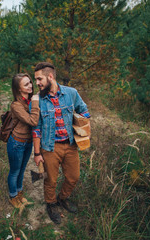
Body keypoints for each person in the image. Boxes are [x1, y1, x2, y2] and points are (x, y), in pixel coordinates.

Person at [32, 62, 90, 224]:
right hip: (50, 147)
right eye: (36, 80)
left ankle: (62, 198)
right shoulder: (37, 101)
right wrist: (37, 154)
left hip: (71, 145)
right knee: (50, 179)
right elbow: (36, 130)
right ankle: (51, 204)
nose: (37, 83)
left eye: (39, 79)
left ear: (50, 77)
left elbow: (84, 110)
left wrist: (80, 123)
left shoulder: (71, 93)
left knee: (73, 177)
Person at [7, 73, 40, 209]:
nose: (30, 85)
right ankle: (13, 197)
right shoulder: (16, 105)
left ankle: (20, 195)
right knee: (15, 171)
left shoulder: (30, 100)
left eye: (30, 82)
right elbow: (33, 121)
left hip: (28, 142)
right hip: (17, 143)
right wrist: (36, 102)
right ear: (19, 89)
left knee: (22, 170)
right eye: (26, 84)